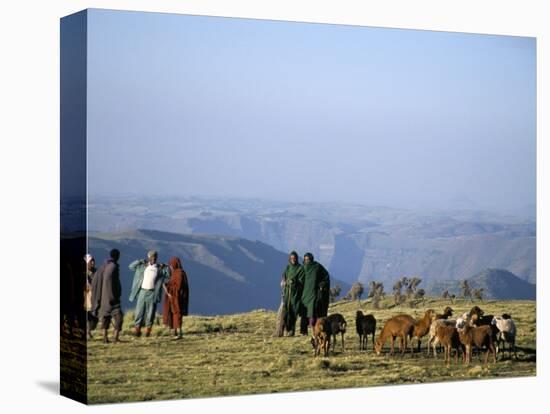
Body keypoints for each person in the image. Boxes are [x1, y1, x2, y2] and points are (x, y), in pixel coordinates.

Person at [129, 250, 170, 337]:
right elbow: (131, 267)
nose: (153, 258)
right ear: (148, 257)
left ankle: (148, 331)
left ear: (156, 258)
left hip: (152, 293)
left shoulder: (159, 268)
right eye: (151, 257)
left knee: (150, 313)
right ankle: (137, 330)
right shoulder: (142, 266)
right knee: (139, 311)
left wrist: (165, 266)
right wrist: (140, 261)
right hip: (142, 291)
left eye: (154, 257)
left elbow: (168, 275)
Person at [91, 249, 123, 343]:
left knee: (105, 318)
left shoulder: (104, 266)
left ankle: (105, 338)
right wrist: (114, 295)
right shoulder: (113, 267)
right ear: (117, 256)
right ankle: (115, 338)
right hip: (111, 298)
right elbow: (111, 282)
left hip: (103, 298)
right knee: (119, 317)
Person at [301, 252, 330, 336]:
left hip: (314, 293)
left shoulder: (317, 267)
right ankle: (304, 331)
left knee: (313, 311)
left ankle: (315, 329)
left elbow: (326, 276)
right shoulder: (303, 268)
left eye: (308, 259)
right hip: (305, 294)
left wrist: (322, 284)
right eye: (305, 259)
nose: (307, 261)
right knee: (304, 312)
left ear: (311, 259)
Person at [162, 257, 189, 339]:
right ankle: (175, 332)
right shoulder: (176, 273)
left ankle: (179, 333)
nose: (170, 267)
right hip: (175, 297)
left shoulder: (179, 273)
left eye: (171, 264)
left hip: (178, 297)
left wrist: (167, 287)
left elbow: (178, 287)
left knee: (177, 313)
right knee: (174, 313)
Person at [281, 251, 304, 336]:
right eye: (291, 258)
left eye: (294, 258)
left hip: (295, 295)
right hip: (287, 294)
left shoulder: (300, 269)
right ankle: (287, 329)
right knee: (287, 312)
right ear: (289, 259)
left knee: (293, 313)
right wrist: (284, 281)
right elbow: (284, 276)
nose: (293, 260)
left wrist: (294, 282)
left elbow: (302, 281)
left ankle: (292, 331)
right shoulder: (288, 268)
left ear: (297, 259)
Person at [84, 254, 98, 340]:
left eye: (93, 261)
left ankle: (89, 331)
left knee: (94, 317)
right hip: (86, 297)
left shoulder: (96, 272)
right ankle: (87, 333)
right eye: (90, 261)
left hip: (94, 297)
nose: (92, 263)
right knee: (88, 316)